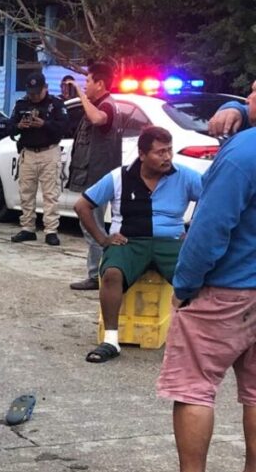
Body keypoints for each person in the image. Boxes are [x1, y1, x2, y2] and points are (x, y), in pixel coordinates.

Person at [133, 81, 256, 472]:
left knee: (194, 386)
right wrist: (235, 111)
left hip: (228, 288)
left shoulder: (243, 154)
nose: (246, 98)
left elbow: (208, 230)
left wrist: (184, 287)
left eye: (253, 92)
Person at [74, 126, 203, 364]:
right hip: (129, 240)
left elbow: (212, 199)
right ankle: (111, 340)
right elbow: (82, 205)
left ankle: (194, 341)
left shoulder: (184, 175)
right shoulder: (119, 176)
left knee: (197, 277)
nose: (167, 157)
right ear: (142, 155)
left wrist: (193, 230)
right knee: (112, 273)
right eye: (160, 152)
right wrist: (103, 239)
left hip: (170, 240)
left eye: (169, 150)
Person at [67, 62, 121, 291]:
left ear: (100, 84)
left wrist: (81, 97)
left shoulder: (106, 105)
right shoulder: (102, 103)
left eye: (87, 82)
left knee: (94, 227)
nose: (84, 86)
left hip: (98, 174)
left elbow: (98, 119)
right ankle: (100, 272)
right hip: (94, 173)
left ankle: (97, 275)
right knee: (96, 226)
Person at [8, 72, 68, 246]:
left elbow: (64, 127)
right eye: (30, 92)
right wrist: (19, 126)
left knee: (50, 194)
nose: (33, 96)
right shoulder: (21, 104)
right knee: (26, 193)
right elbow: (9, 127)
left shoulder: (55, 104)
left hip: (49, 152)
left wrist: (44, 124)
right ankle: (27, 228)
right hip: (28, 152)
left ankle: (51, 231)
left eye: (37, 92)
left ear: (45, 88)